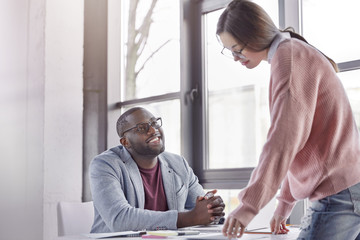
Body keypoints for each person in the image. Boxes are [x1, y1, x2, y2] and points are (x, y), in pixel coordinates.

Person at [216, 0, 360, 239]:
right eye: (229, 51)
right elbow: (298, 142)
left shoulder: (289, 59)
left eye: (237, 49)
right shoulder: (291, 52)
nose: (235, 58)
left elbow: (283, 142)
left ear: (254, 34)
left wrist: (248, 207)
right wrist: (283, 205)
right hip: (348, 187)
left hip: (338, 193)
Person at [89, 107, 225, 233]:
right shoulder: (105, 164)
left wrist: (212, 210)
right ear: (125, 142)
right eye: (142, 128)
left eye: (154, 123)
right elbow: (120, 219)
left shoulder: (178, 163)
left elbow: (199, 211)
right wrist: (191, 217)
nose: (154, 131)